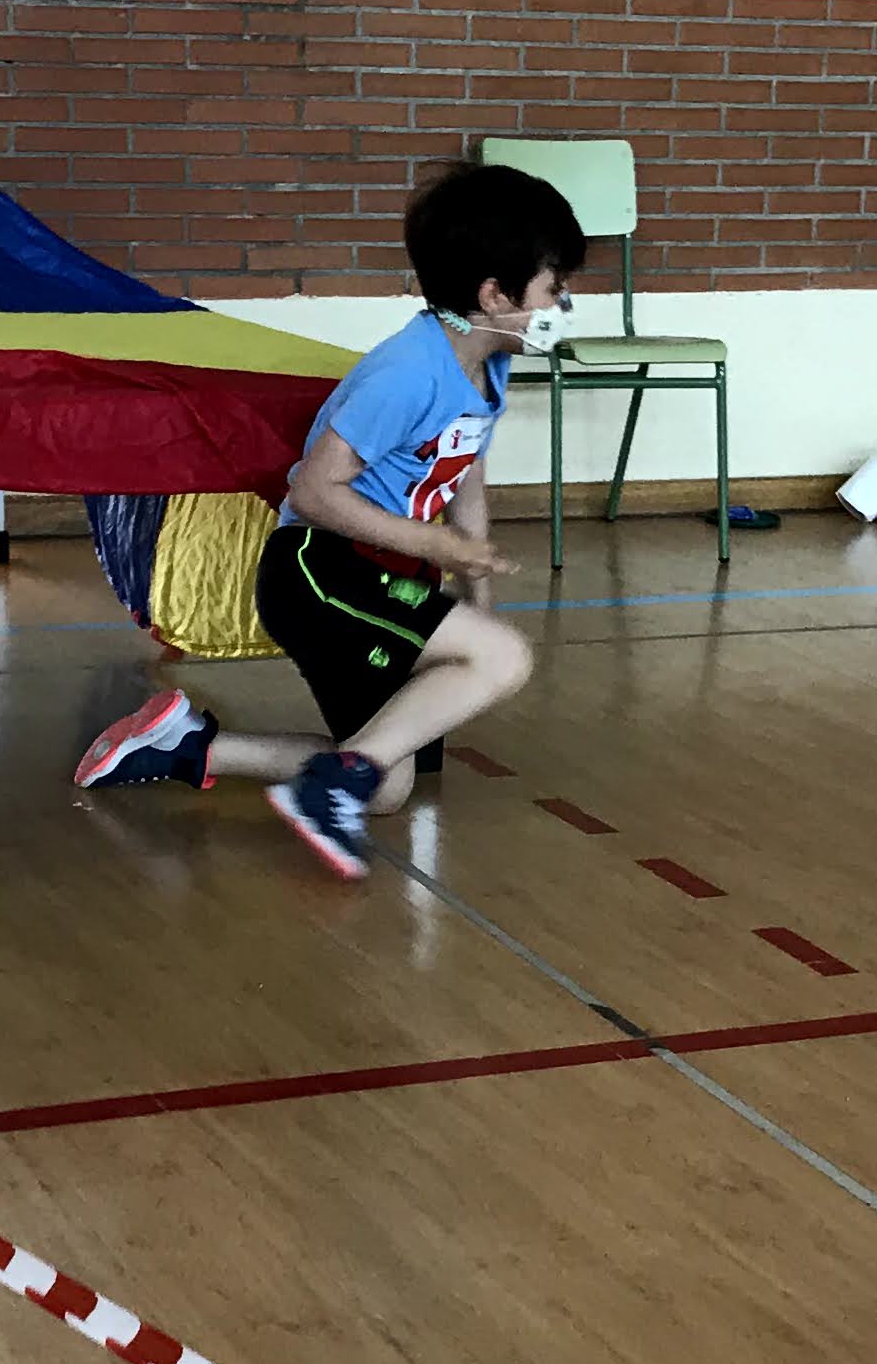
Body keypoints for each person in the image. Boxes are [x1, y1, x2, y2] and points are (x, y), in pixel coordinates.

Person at [73, 162, 584, 878]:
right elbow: (313, 492)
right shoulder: (407, 372)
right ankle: (329, 789)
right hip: (321, 571)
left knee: (389, 787)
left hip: (379, 574)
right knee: (504, 659)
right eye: (554, 289)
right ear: (494, 295)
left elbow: (465, 470)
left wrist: (475, 591)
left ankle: (188, 747)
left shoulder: (488, 364)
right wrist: (434, 546)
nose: (565, 304)